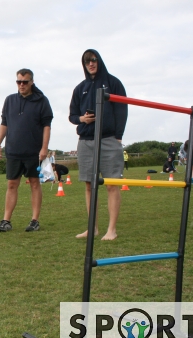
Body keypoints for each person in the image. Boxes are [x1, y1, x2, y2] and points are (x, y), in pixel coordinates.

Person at [69, 49, 128, 241]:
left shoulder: (113, 82)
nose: (91, 64)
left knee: (112, 185)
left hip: (109, 139)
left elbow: (122, 110)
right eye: (87, 61)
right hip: (86, 141)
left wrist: (118, 137)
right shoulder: (80, 88)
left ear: (99, 61)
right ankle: (92, 228)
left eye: (94, 60)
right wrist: (82, 119)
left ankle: (112, 230)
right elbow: (72, 115)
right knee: (89, 185)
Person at [0, 68, 53, 233]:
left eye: (25, 82)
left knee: (34, 183)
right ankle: (6, 220)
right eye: (18, 82)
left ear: (31, 82)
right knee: (12, 184)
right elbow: (4, 123)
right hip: (13, 150)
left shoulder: (42, 101)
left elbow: (47, 126)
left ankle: (34, 220)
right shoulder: (10, 100)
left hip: (34, 151)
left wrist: (44, 148)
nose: (21, 85)